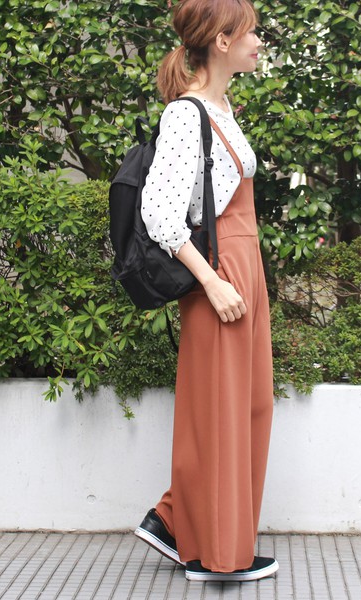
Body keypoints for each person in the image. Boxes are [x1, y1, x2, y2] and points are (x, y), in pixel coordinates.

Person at [134, 0, 277, 583]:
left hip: (244, 265)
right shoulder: (185, 115)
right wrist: (214, 282)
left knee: (248, 406)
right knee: (221, 411)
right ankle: (215, 555)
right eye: (251, 32)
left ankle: (176, 521)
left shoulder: (222, 108)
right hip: (221, 273)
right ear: (221, 41)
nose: (259, 42)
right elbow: (161, 215)